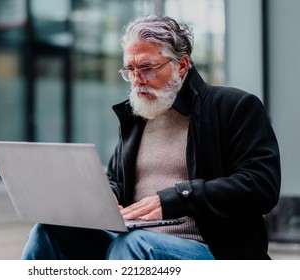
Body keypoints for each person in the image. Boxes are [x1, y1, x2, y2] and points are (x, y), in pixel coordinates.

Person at [21, 15, 280, 260]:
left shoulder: (233, 106)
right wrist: (106, 197)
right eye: (130, 69)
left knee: (135, 245)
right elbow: (116, 179)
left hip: (213, 250)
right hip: (132, 239)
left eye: (147, 68)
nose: (137, 80)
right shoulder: (137, 116)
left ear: (181, 65)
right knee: (48, 231)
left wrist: (178, 198)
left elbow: (261, 186)